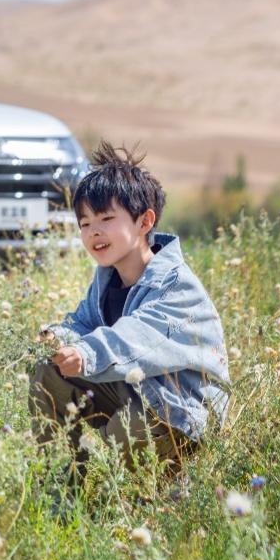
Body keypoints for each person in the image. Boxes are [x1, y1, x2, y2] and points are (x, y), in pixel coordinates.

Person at [30, 141, 230, 481]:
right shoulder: (107, 278)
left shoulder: (174, 283)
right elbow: (84, 323)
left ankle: (139, 495)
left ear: (144, 222)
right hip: (139, 394)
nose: (94, 231)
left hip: (181, 412)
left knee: (127, 430)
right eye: (85, 223)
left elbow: (137, 338)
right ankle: (62, 482)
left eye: (107, 218)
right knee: (49, 372)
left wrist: (85, 352)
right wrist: (58, 338)